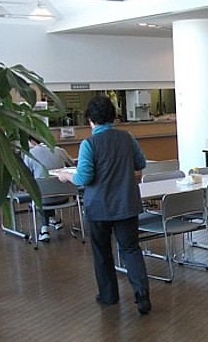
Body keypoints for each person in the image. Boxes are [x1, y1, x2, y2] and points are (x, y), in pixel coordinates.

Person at [58, 95, 151, 315]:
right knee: (131, 249)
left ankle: (109, 296)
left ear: (90, 120)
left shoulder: (89, 144)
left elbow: (83, 178)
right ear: (113, 117)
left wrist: (66, 176)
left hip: (99, 207)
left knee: (102, 251)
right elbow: (140, 163)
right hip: (126, 203)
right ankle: (142, 294)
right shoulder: (127, 138)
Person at [23, 136, 75, 241]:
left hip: (43, 199)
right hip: (64, 197)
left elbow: (24, 175)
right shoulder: (59, 150)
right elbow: (72, 165)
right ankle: (55, 219)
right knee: (47, 192)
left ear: (32, 141)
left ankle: (44, 229)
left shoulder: (30, 154)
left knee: (38, 194)